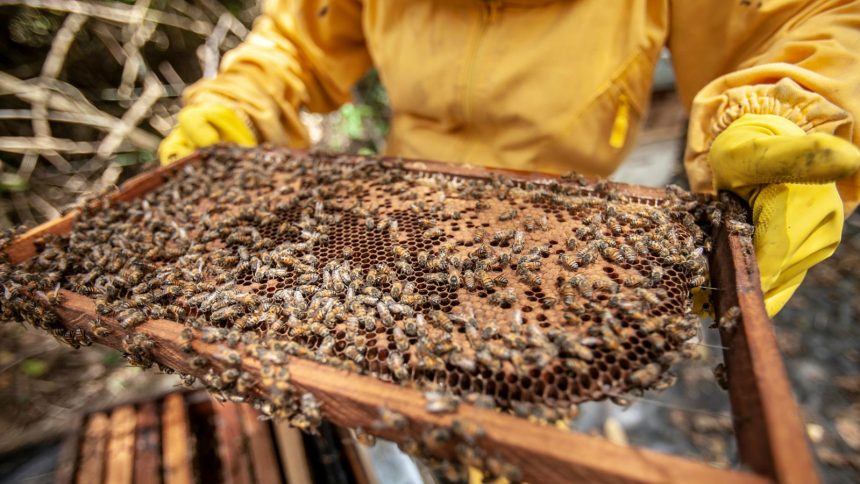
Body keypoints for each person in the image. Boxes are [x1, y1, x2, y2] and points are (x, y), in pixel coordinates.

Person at [159, 0, 860, 316]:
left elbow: (805, 16)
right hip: (396, 218)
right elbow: (292, 39)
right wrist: (242, 106)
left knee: (531, 380)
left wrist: (785, 107)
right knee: (368, 351)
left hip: (558, 231)